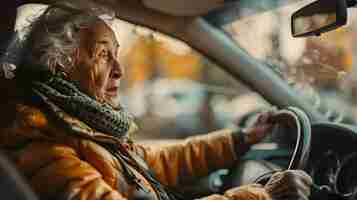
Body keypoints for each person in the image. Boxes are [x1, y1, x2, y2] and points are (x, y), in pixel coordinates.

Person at [0, 3, 312, 200]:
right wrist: (260, 196)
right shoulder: (46, 151)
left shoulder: (76, 127)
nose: (119, 70)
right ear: (59, 65)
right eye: (103, 55)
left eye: (117, 54)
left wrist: (240, 139)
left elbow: (151, 163)